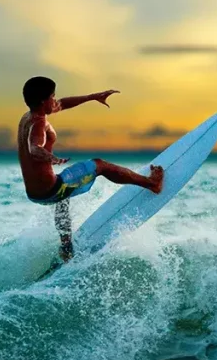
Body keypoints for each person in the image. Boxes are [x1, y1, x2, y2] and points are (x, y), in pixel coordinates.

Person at [18, 76, 164, 261]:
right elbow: (34, 147)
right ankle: (152, 183)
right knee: (99, 165)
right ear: (42, 101)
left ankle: (66, 247)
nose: (55, 101)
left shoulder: (28, 117)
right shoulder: (39, 123)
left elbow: (62, 104)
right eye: (52, 97)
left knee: (64, 195)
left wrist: (92, 97)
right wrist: (50, 157)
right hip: (51, 189)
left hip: (35, 193)